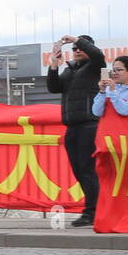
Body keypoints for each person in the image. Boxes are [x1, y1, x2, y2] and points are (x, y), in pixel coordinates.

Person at [47, 33, 106, 227]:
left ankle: (93, 211)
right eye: (74, 49)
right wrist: (54, 65)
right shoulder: (71, 69)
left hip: (89, 124)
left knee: (87, 170)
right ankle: (92, 209)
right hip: (72, 125)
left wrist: (75, 39)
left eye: (81, 47)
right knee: (79, 170)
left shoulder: (95, 66)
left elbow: (97, 54)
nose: (77, 50)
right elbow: (53, 88)